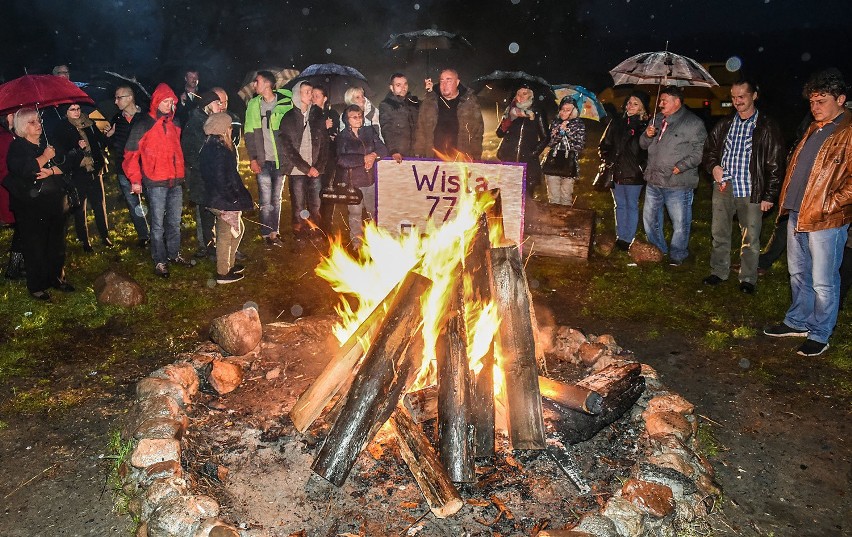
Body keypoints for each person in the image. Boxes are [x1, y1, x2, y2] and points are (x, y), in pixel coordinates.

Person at [763, 69, 851, 357]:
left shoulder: (848, 131)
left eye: (821, 101)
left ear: (841, 99)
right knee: (798, 272)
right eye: (812, 102)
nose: (815, 107)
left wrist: (831, 204)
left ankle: (821, 331)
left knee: (824, 279)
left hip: (825, 219)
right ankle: (798, 321)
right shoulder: (815, 127)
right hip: (797, 213)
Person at [701, 80, 785, 293]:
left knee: (751, 237)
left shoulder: (767, 126)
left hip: (751, 189)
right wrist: (714, 167)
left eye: (741, 97)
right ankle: (718, 271)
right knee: (719, 232)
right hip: (724, 187)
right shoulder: (726, 123)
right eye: (733, 97)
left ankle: (748, 278)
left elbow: (775, 163)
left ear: (754, 96)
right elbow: (709, 150)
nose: (737, 101)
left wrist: (770, 195)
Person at [123, 83, 192, 278]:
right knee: (158, 224)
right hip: (155, 182)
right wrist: (135, 180)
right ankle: (159, 260)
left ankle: (173, 254)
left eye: (171, 101)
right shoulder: (143, 124)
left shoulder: (175, 123)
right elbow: (130, 154)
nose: (168, 105)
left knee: (174, 221)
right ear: (156, 102)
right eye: (165, 101)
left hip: (175, 181)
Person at [4, 108, 73, 300]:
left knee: (56, 243)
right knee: (35, 245)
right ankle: (37, 285)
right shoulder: (18, 147)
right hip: (31, 206)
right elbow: (25, 169)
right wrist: (44, 158)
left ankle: (56, 278)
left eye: (38, 120)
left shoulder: (48, 143)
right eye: (32, 122)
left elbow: (69, 161)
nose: (38, 124)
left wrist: (53, 170)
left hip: (56, 202)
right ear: (22, 127)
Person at [640, 86, 707, 265]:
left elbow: (700, 151)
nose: (660, 104)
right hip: (654, 180)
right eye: (660, 100)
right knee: (650, 219)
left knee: (680, 222)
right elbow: (642, 144)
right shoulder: (657, 119)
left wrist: (681, 166)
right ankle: (658, 250)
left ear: (677, 102)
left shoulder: (693, 123)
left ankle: (678, 256)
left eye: (664, 100)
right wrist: (647, 135)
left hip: (677, 182)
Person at [200, 113, 253, 284]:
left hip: (215, 198)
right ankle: (223, 273)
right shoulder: (219, 151)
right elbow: (222, 179)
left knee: (237, 230)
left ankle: (228, 265)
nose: (231, 130)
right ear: (223, 130)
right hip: (221, 200)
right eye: (229, 127)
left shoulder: (210, 147)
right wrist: (233, 199)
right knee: (225, 233)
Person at [243, 70, 293, 247]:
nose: (254, 85)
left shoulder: (286, 103)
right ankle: (266, 234)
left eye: (257, 81)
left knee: (276, 199)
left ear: (267, 84)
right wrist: (253, 158)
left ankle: (274, 233)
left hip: (280, 159)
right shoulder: (253, 105)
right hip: (263, 160)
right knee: (265, 199)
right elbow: (249, 134)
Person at [54, 103, 112, 251]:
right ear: (66, 112)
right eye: (72, 109)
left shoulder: (89, 123)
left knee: (99, 203)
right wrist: (76, 148)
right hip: (77, 171)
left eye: (78, 108)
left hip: (94, 168)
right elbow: (61, 152)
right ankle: (84, 240)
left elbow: (100, 141)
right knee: (80, 207)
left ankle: (104, 235)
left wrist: (109, 135)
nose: (76, 112)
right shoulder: (62, 127)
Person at [280, 81, 329, 246]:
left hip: (315, 170)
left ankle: (315, 231)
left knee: (316, 204)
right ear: (297, 95)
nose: (310, 94)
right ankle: (299, 233)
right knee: (299, 205)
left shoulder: (318, 116)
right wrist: (306, 168)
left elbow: (324, 144)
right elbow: (288, 148)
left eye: (311, 91)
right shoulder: (288, 119)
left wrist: (318, 167)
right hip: (297, 170)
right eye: (307, 91)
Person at [599, 90, 650, 248]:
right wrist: (608, 159)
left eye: (635, 104)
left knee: (632, 205)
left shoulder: (645, 126)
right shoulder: (617, 123)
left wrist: (643, 165)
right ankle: (620, 236)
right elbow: (604, 145)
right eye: (629, 102)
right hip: (617, 170)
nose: (630, 106)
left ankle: (629, 238)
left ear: (642, 108)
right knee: (619, 205)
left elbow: (647, 150)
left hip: (635, 172)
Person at [336, 104, 388, 249]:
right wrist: (363, 159)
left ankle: (375, 239)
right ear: (347, 120)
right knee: (355, 213)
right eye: (354, 117)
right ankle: (356, 243)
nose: (358, 119)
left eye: (360, 116)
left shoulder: (369, 131)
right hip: (353, 182)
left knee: (373, 211)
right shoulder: (343, 137)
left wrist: (373, 155)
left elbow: (383, 148)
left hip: (370, 180)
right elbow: (341, 159)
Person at [106, 85, 150, 247]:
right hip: (124, 169)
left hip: (146, 168)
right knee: (133, 204)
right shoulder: (117, 119)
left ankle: (158, 233)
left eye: (119, 97)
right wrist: (109, 136)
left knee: (152, 200)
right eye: (115, 98)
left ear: (130, 98)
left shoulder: (145, 116)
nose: (115, 101)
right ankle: (144, 235)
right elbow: (114, 145)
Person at [181, 90, 222, 258]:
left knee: (214, 210)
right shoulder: (195, 123)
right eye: (217, 103)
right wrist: (204, 167)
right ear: (207, 105)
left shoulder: (213, 121)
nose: (220, 106)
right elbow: (189, 151)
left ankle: (214, 245)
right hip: (201, 177)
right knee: (205, 211)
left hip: (213, 175)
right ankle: (208, 246)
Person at [414, 68, 484, 160]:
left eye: (449, 80)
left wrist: (475, 157)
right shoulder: (429, 102)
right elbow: (421, 130)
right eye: (442, 81)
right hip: (433, 159)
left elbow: (477, 133)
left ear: (457, 82)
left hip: (460, 161)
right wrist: (420, 154)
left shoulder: (469, 103)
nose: (444, 85)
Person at [496, 85, 548, 198]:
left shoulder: (537, 112)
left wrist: (532, 153)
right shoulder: (510, 111)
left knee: (526, 197)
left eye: (525, 93)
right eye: (519, 93)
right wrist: (507, 121)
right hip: (508, 158)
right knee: (506, 195)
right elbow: (499, 134)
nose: (521, 96)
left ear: (531, 95)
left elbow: (545, 137)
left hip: (527, 162)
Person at [542, 96, 585, 204]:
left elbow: (579, 146)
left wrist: (568, 132)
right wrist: (559, 133)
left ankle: (565, 219)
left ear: (573, 111)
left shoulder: (579, 124)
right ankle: (553, 219)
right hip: (553, 161)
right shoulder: (555, 122)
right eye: (562, 109)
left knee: (566, 195)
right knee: (553, 196)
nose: (564, 112)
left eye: (568, 110)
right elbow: (549, 142)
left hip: (568, 163)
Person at [312, 85, 340, 233]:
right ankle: (315, 224)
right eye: (313, 94)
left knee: (327, 190)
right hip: (314, 159)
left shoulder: (332, 113)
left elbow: (334, 134)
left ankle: (326, 224)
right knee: (315, 192)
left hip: (330, 158)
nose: (314, 97)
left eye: (317, 95)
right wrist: (323, 126)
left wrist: (331, 133)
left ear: (325, 98)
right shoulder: (311, 113)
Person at [1, 112, 25, 280]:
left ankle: (19, 265)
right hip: (11, 189)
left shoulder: (11, 136)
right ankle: (13, 268)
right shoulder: (6, 139)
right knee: (22, 227)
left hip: (13, 188)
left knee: (22, 227)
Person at [379, 73, 419, 162]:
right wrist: (393, 151)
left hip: (414, 154)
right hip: (399, 154)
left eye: (405, 84)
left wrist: (430, 92)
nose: (403, 87)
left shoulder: (413, 103)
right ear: (391, 87)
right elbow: (386, 129)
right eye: (398, 85)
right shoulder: (386, 105)